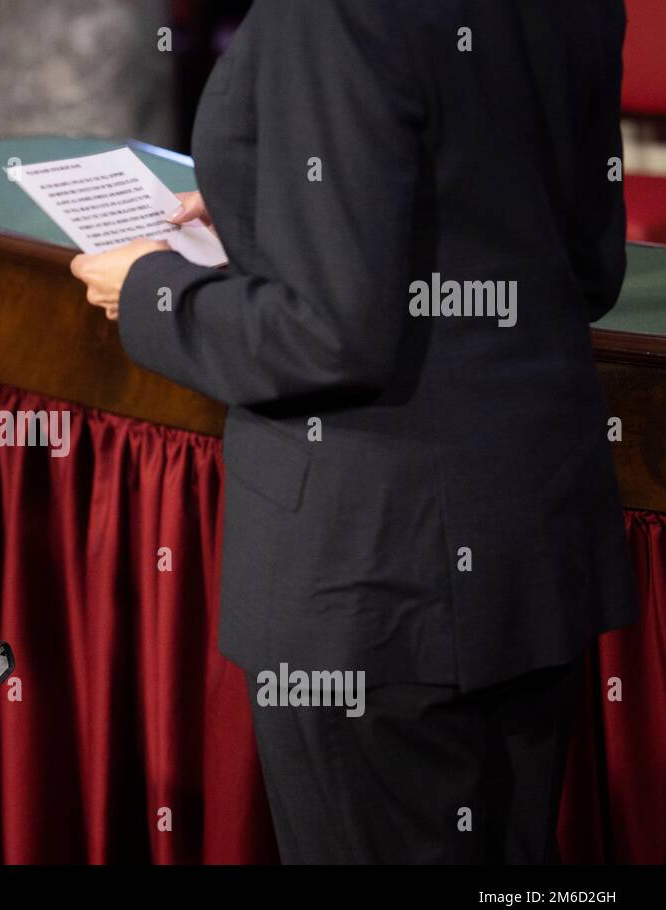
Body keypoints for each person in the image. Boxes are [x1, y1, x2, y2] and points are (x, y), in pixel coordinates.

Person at [70, 0, 636, 863]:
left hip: (377, 569)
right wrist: (277, 224)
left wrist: (154, 291)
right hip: (533, 544)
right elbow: (581, 268)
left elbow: (327, 332)